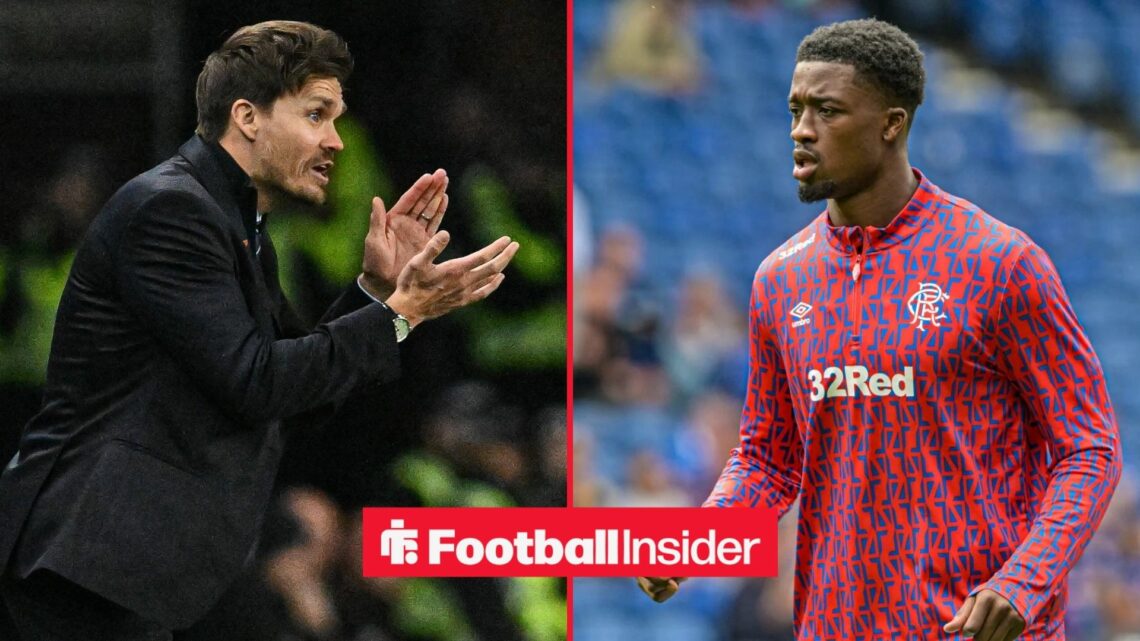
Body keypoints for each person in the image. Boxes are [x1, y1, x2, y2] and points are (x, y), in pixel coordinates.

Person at [0, 20, 519, 641]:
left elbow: (292, 394)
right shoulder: (172, 212)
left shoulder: (236, 227)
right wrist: (399, 312)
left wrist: (378, 293)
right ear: (247, 117)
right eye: (317, 115)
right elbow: (257, 383)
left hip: (131, 570)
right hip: (87, 565)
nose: (337, 142)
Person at [638, 18, 1122, 641]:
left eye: (827, 110)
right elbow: (766, 458)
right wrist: (703, 540)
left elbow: (1090, 448)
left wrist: (1024, 580)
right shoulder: (779, 282)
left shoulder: (1000, 263)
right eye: (795, 110)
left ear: (892, 123)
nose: (801, 131)